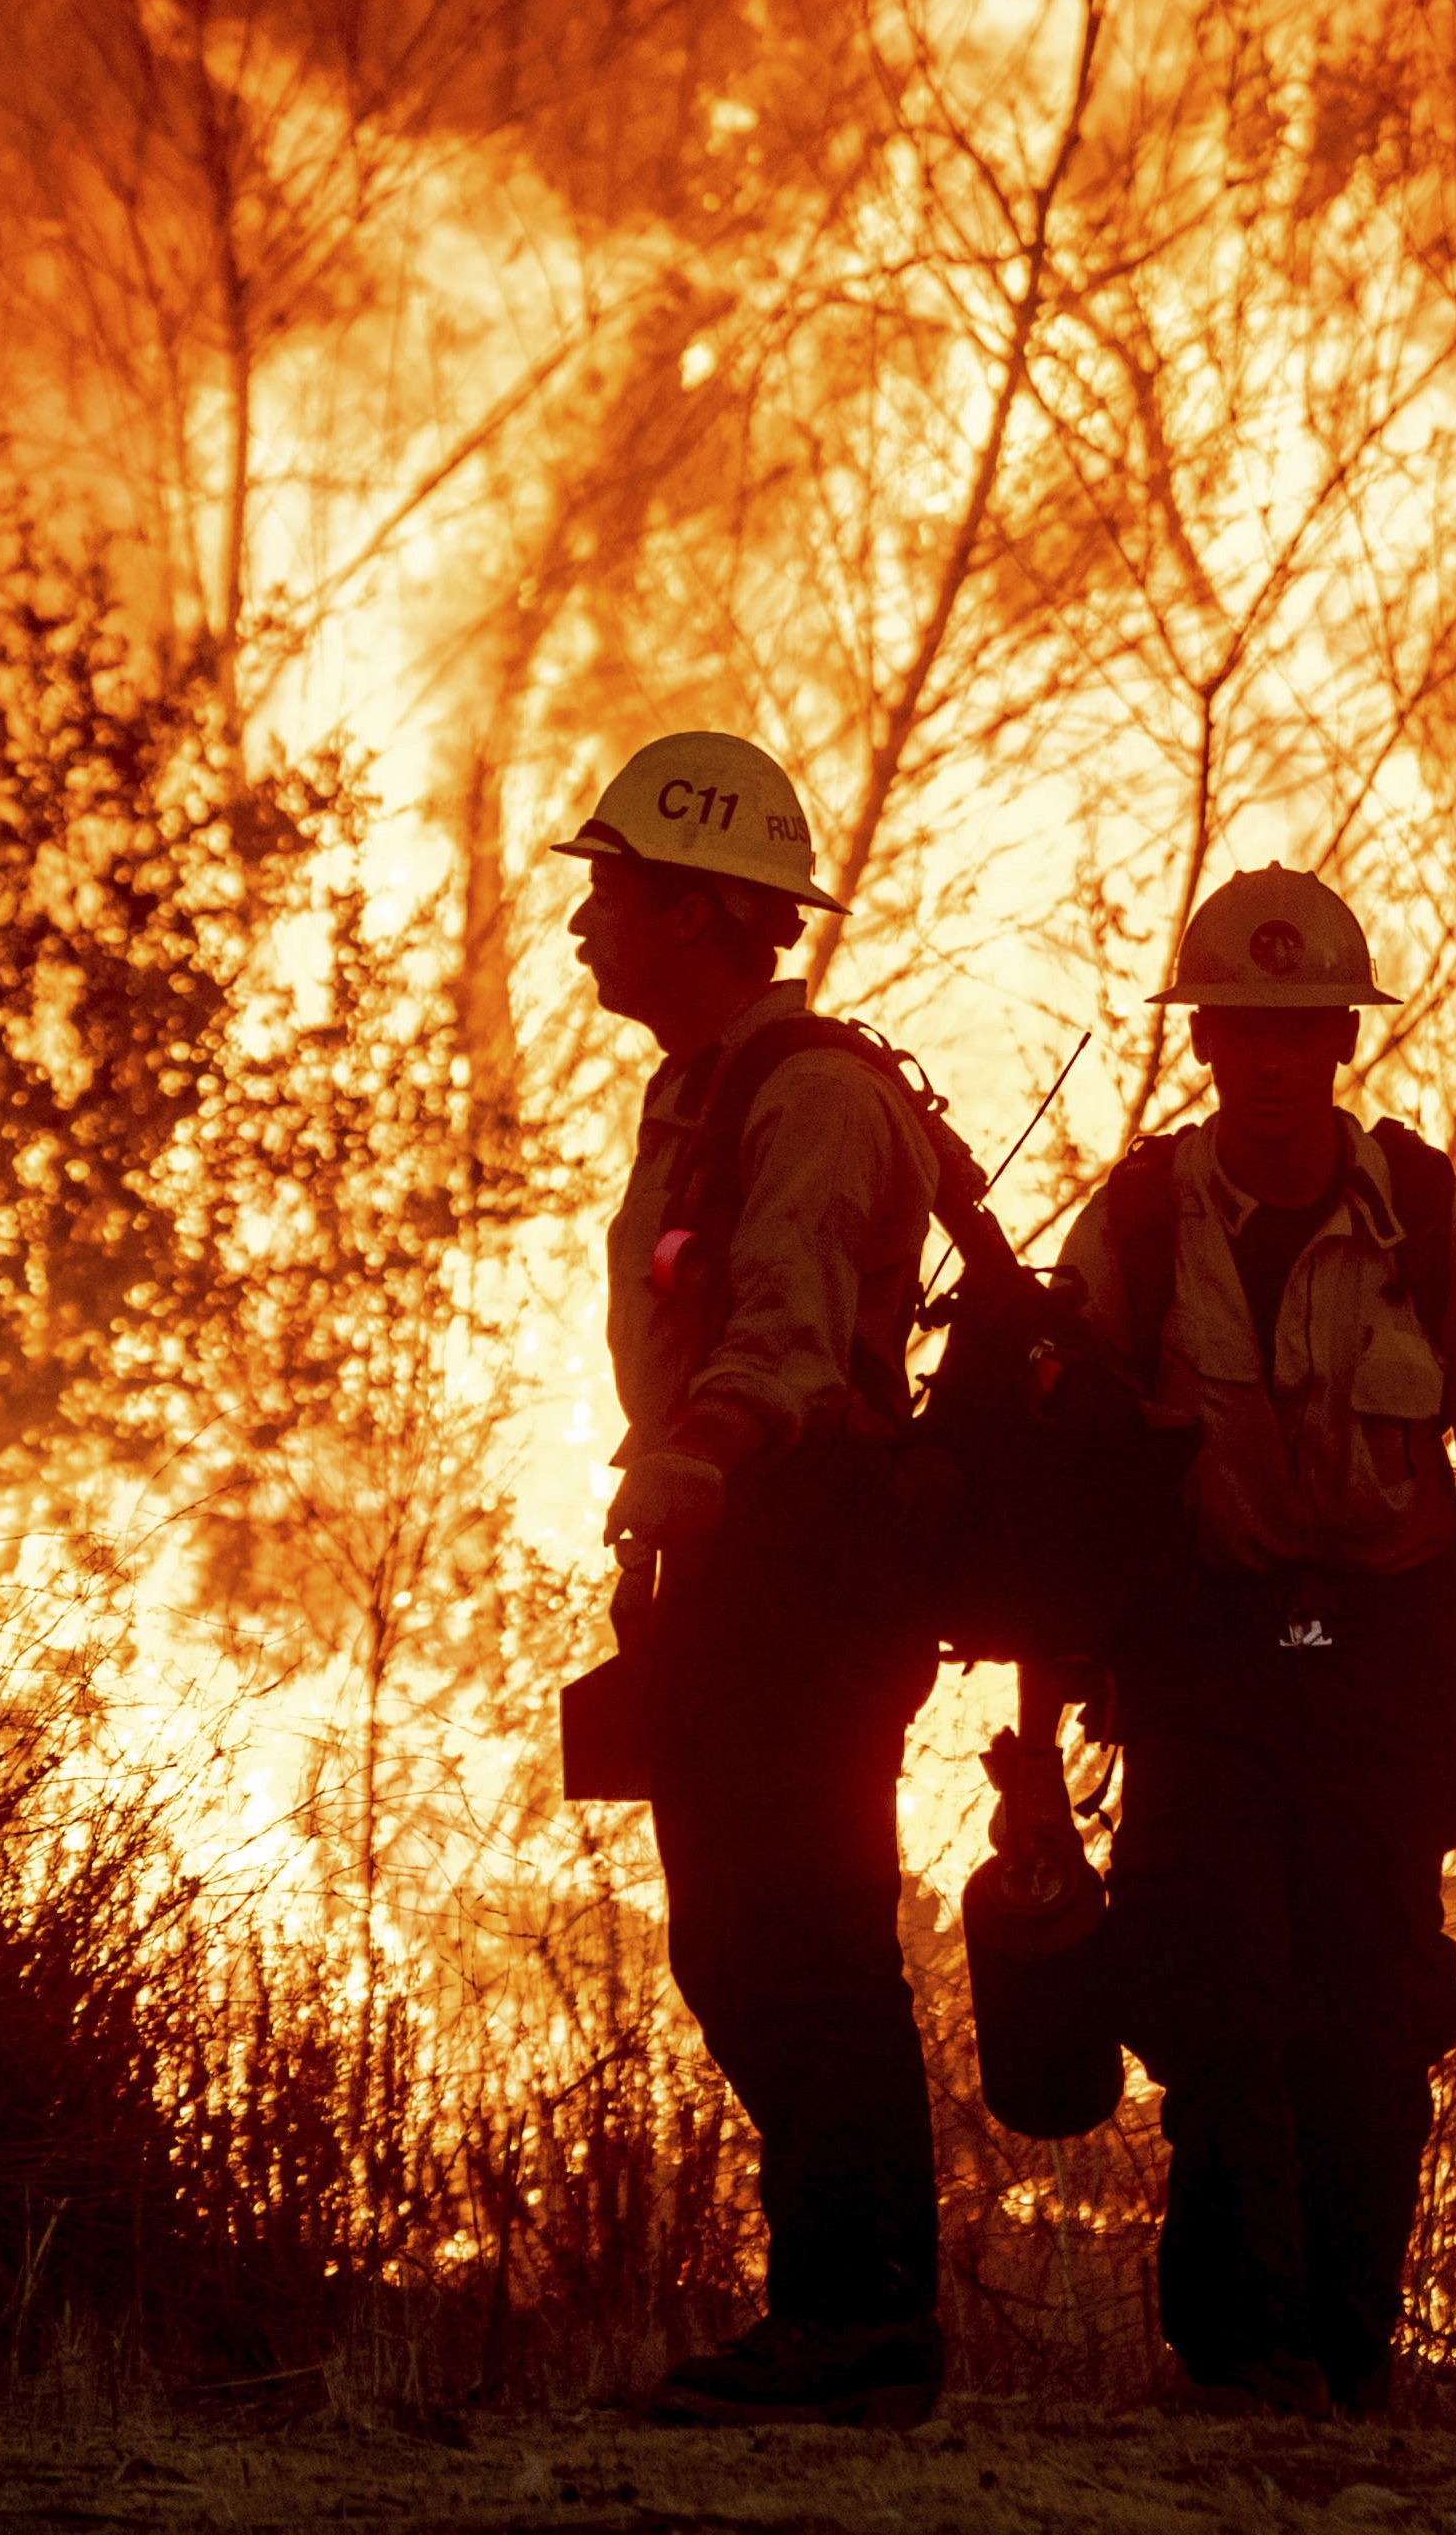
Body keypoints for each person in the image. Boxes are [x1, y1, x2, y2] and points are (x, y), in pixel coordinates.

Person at [1055, 865, 1456, 2422]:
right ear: (1205, 1041)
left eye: (1301, 1026)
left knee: (1372, 2019)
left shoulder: (1434, 1225)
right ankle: (1246, 2364)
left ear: (1340, 1042)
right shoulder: (1136, 1231)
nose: (1270, 1055)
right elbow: (1060, 1466)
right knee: (1212, 1996)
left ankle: (1352, 2358)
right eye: (1243, 1024)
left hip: (1381, 1667)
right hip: (1211, 1662)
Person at [558, 729, 948, 2429]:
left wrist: (704, 1447)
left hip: (811, 1568)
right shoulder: (701, 1093)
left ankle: (860, 2326)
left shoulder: (812, 1099)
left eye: (615, 889)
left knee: (805, 1939)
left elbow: (787, 1332)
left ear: (707, 912)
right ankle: (843, 2319)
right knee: (737, 1941)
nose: (585, 921)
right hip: (732, 1568)